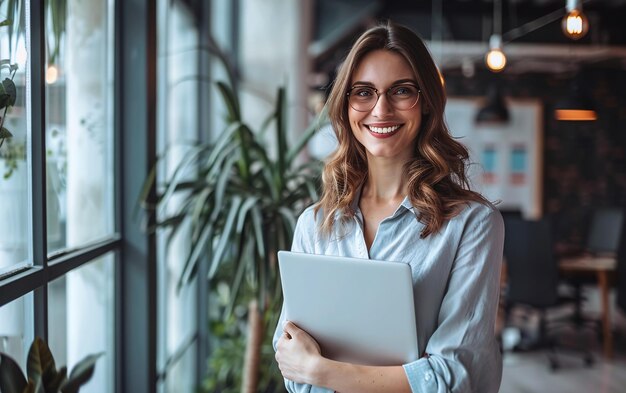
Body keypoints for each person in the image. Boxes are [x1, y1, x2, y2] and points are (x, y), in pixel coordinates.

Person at [273, 20, 504, 393]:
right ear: (346, 105)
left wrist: (322, 371)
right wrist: (311, 371)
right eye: (363, 92)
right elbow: (291, 363)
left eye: (401, 91)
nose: (381, 109)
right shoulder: (316, 224)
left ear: (426, 102)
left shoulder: (472, 224)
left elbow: (455, 377)